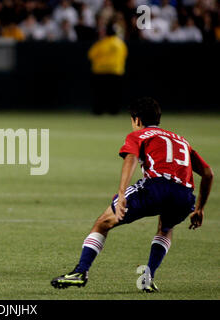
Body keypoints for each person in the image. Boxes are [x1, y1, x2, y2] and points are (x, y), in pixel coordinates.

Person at [51, 97, 213, 292]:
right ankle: (148, 278)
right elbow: (207, 173)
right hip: (184, 195)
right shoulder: (181, 140)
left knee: (103, 222)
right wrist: (200, 208)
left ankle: (80, 271)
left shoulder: (140, 135)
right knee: (166, 228)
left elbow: (131, 157)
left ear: (136, 119)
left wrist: (121, 194)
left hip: (157, 187)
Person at [88, 23, 128, 114]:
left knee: (100, 94)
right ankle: (114, 111)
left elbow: (91, 55)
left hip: (100, 72)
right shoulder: (120, 43)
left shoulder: (101, 43)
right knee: (114, 94)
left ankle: (98, 112)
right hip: (116, 71)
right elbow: (124, 55)